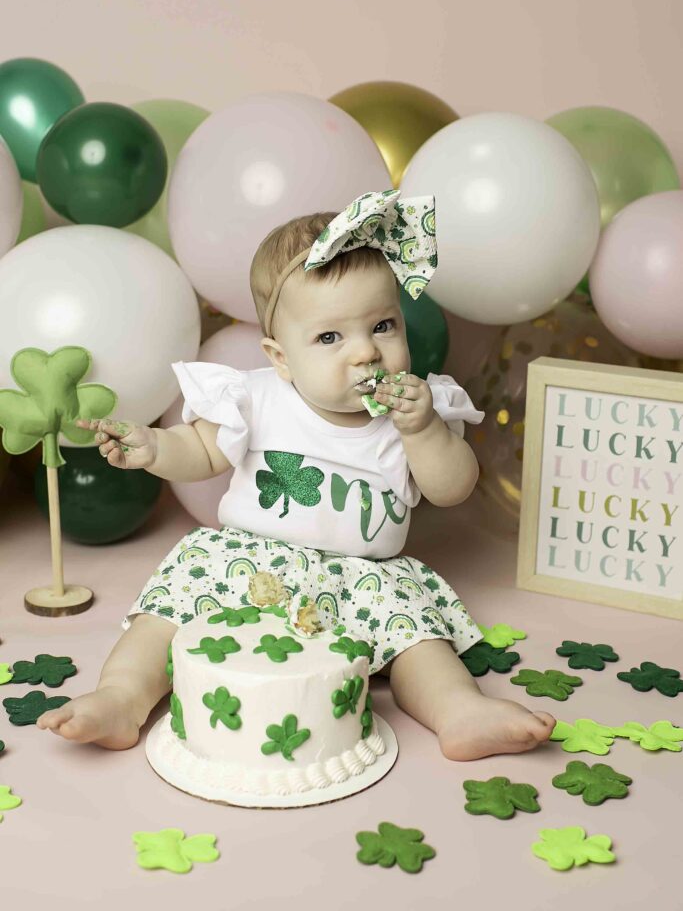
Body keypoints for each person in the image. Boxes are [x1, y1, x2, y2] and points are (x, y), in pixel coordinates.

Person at [37, 190, 555, 760]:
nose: (365, 353)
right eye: (330, 337)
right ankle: (120, 697)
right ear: (279, 357)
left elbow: (452, 487)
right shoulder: (258, 397)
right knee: (162, 618)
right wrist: (154, 447)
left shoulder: (419, 410)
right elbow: (202, 451)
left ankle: (461, 712)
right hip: (249, 559)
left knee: (420, 642)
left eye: (382, 325)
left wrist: (424, 430)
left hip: (364, 578)